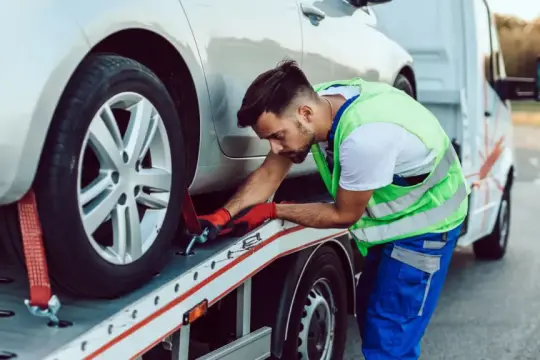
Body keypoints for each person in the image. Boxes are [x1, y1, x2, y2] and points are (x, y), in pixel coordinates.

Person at [198, 59, 470, 359]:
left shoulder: (364, 138)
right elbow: (269, 175)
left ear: (305, 113)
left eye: (277, 136)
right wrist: (223, 214)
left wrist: (273, 212)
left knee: (389, 338)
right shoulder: (320, 103)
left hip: (427, 226)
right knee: (372, 313)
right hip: (393, 225)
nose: (275, 148)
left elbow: (344, 215)